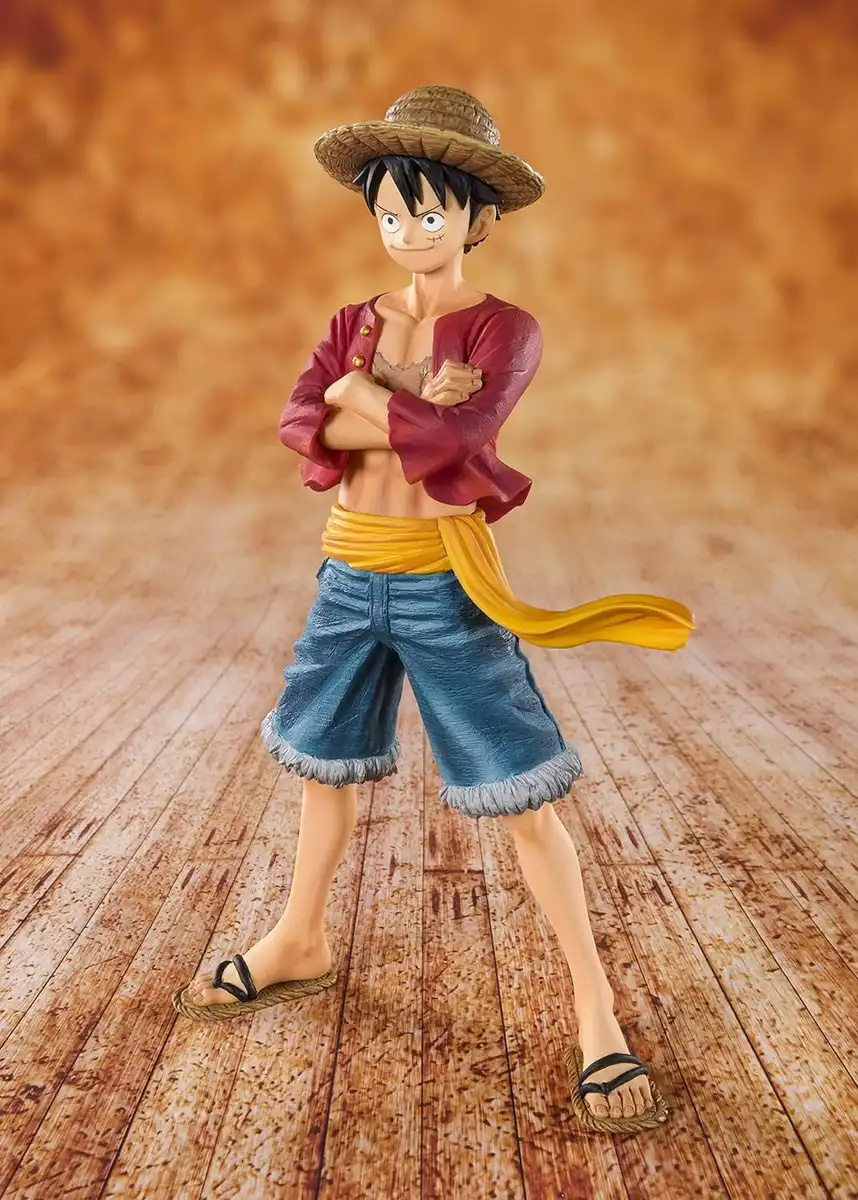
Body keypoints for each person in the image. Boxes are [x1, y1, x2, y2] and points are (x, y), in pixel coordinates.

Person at [173, 86, 693, 1135]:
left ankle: (594, 1008)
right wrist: (390, 405)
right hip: (346, 573)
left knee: (520, 793)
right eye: (389, 213)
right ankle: (300, 936)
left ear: (477, 217)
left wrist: (362, 397)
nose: (407, 232)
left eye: (427, 211)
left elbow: (460, 443)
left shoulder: (507, 328)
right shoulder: (350, 322)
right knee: (322, 766)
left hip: (444, 582)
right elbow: (299, 424)